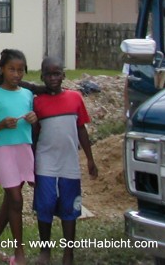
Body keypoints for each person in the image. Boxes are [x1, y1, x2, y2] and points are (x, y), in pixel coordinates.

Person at [32, 57, 98, 265]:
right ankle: (45, 251)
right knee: (46, 204)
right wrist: (30, 163)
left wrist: (90, 159)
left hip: (69, 163)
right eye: (49, 74)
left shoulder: (75, 98)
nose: (53, 78)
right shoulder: (36, 101)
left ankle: (68, 253)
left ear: (63, 75)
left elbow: (81, 129)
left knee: (70, 208)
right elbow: (34, 135)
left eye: (57, 73)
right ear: (42, 76)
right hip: (45, 162)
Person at [0, 49, 37, 265]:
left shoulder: (27, 95)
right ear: (1, 70)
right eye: (12, 69)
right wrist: (0, 125)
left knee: (11, 200)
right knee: (16, 199)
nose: (16, 74)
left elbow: (35, 125)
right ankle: (20, 252)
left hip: (24, 150)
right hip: (4, 150)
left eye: (20, 70)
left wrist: (34, 118)